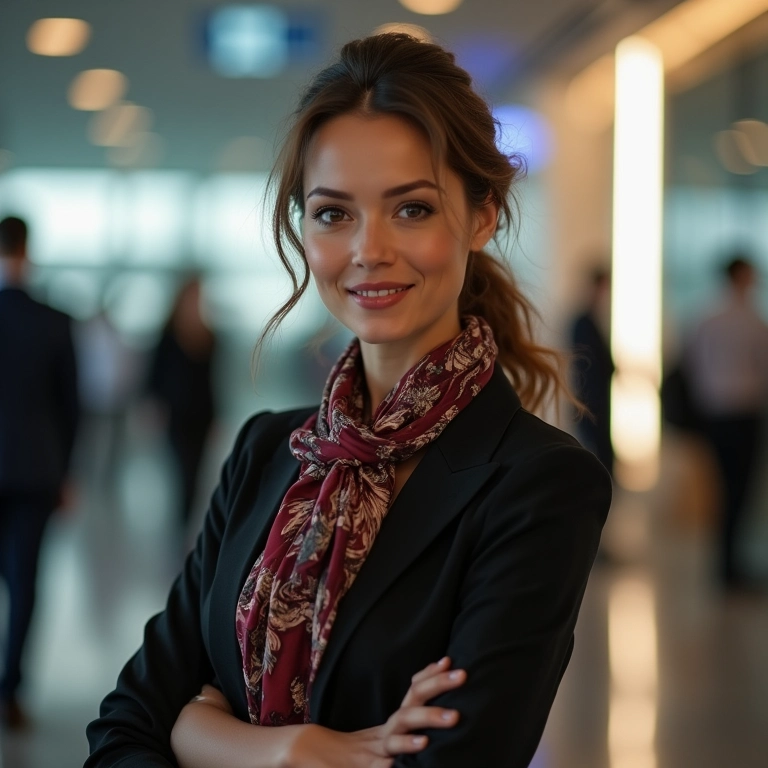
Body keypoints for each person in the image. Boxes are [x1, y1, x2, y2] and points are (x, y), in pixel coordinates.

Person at [86, 34, 612, 768]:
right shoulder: (269, 450)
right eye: (334, 213)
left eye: (413, 210)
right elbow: (124, 727)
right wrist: (284, 752)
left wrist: (202, 733)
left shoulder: (537, 483)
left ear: (484, 214)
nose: (369, 249)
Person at [0, 215, 79, 728]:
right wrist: (67, 473)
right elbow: (71, 408)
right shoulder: (54, 319)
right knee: (25, 581)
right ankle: (10, 691)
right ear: (28, 251)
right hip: (35, 469)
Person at [686, 255, 768, 590]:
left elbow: (694, 367)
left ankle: (725, 564)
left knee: (725, 489)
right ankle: (729, 567)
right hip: (743, 413)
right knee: (739, 490)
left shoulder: (706, 317)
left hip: (715, 414)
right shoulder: (752, 320)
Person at [146, 277, 217, 528]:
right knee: (182, 472)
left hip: (202, 416)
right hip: (176, 415)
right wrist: (152, 408)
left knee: (196, 475)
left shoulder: (209, 336)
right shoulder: (168, 335)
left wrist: (218, 417)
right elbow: (154, 376)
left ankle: (186, 523)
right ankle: (180, 525)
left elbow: (212, 382)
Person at [569, 266, 615, 477]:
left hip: (595, 396)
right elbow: (585, 364)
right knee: (594, 445)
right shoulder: (584, 321)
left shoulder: (591, 320)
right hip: (590, 397)